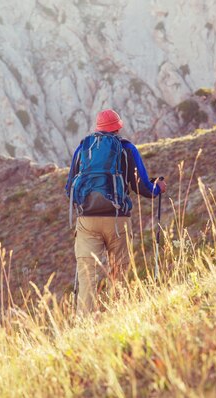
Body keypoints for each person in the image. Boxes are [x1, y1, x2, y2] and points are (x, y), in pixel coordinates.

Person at [65, 109, 167, 315]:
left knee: (87, 275)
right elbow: (142, 187)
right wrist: (158, 189)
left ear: (97, 128)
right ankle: (118, 316)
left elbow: (69, 189)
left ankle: (84, 325)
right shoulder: (126, 148)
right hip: (117, 221)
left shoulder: (83, 148)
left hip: (86, 221)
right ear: (118, 127)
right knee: (119, 272)